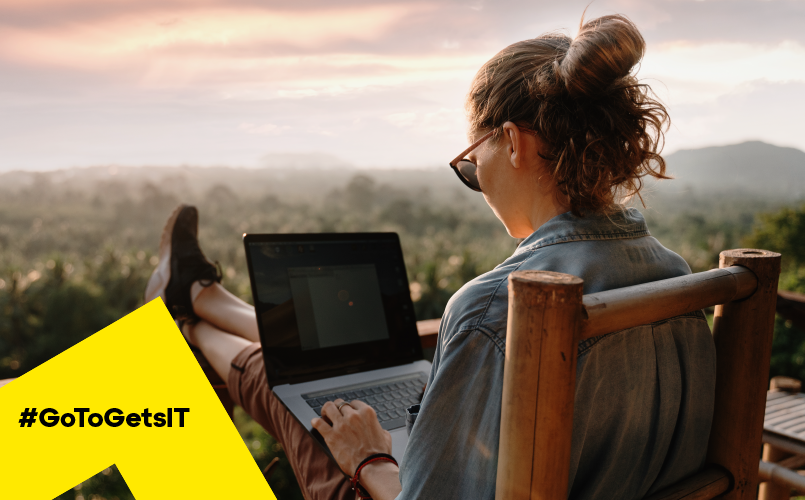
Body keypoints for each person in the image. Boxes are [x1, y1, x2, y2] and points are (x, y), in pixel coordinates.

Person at [144, 13, 715, 500]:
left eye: (471, 162)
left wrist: (370, 458)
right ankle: (200, 300)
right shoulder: (676, 279)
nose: (477, 181)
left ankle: (191, 320)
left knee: (295, 393)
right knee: (316, 376)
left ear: (513, 143)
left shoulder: (499, 307)